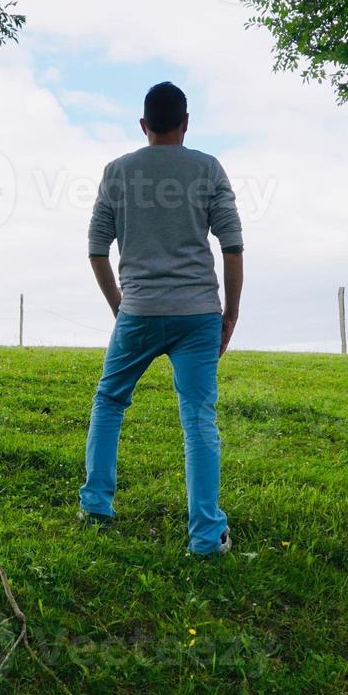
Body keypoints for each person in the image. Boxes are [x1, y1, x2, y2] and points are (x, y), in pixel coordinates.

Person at [78, 81, 244, 557]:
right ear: (186, 124)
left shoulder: (117, 172)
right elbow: (231, 246)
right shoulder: (207, 168)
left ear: (144, 125)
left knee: (110, 401)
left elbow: (96, 250)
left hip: (139, 312)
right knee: (198, 420)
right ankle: (207, 538)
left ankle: (96, 506)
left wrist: (120, 306)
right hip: (198, 315)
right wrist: (230, 313)